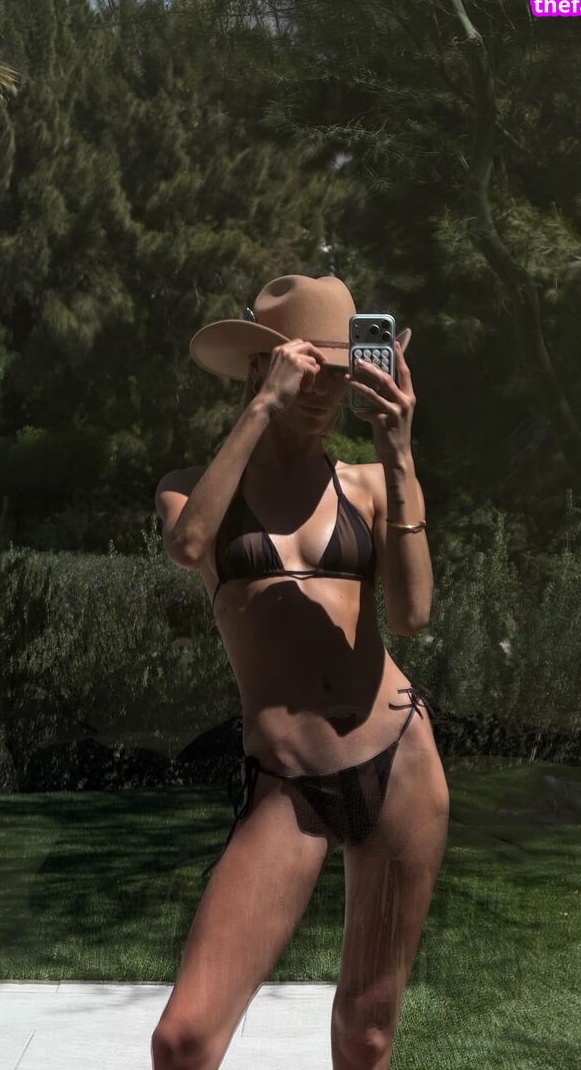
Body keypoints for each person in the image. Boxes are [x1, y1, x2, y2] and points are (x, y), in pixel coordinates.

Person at [151, 274, 449, 1070]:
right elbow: (189, 546)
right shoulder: (191, 490)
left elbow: (412, 614)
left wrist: (399, 451)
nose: (324, 388)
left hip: (398, 759)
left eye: (340, 371)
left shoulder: (367, 485)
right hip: (288, 782)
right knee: (183, 1041)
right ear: (262, 366)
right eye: (307, 367)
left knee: (367, 1034)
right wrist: (261, 408)